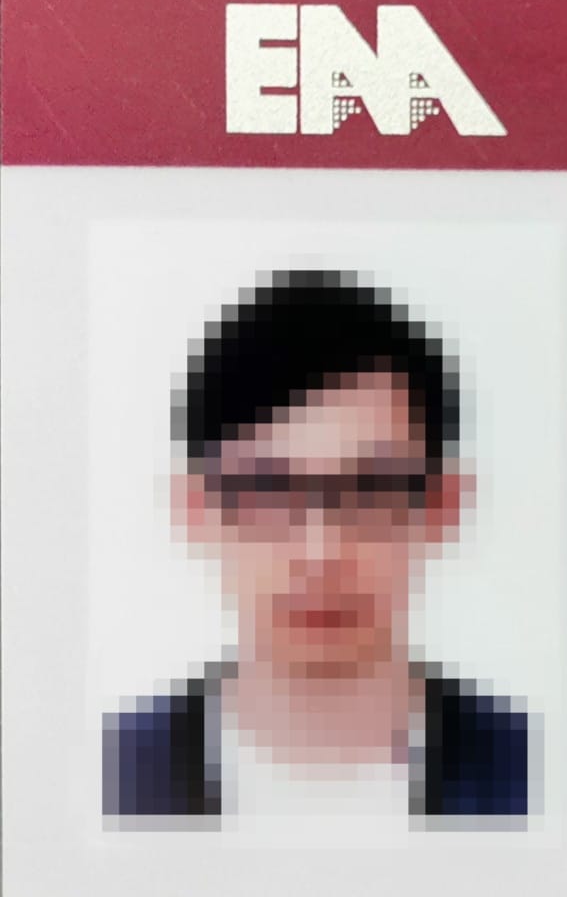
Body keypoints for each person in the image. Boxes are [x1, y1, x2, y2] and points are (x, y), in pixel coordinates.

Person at [103, 270, 531, 822]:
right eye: (266, 489)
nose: (320, 551)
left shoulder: (537, 778)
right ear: (195, 508)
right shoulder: (109, 778)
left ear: (444, 506)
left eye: (372, 489)